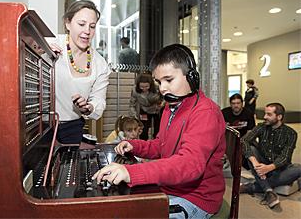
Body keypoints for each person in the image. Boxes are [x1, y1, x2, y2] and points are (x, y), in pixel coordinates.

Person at [93, 44, 226, 218]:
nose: (162, 88)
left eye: (169, 80)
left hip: (195, 197)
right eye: (158, 81)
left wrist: (131, 172)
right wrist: (134, 146)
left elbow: (189, 164)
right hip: (170, 187)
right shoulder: (170, 108)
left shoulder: (206, 113)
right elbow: (161, 145)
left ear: (192, 78)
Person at [49, 0, 111, 144]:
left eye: (92, 26)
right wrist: (40, 52)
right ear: (68, 23)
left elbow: (99, 100)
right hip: (41, 126)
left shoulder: (100, 64)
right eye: (81, 24)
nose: (87, 31)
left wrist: (89, 107)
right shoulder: (50, 44)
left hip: (72, 128)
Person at [239, 102, 301, 209]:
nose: (264, 117)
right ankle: (268, 191)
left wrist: (268, 168)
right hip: (261, 163)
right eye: (265, 114)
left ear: (279, 117)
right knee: (251, 150)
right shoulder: (261, 127)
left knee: (298, 169)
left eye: (269, 114)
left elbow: (285, 157)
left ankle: (253, 187)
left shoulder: (291, 133)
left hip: (279, 168)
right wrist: (255, 161)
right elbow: (243, 141)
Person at [221, 93, 255, 169]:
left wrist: (240, 142)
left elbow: (250, 132)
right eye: (233, 103)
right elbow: (219, 130)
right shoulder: (224, 113)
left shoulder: (248, 113)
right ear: (230, 104)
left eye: (238, 103)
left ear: (242, 103)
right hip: (228, 139)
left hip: (243, 139)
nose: (236, 105)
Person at [129, 73, 163, 140]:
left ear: (151, 85)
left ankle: (156, 145)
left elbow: (165, 97)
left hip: (156, 109)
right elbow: (132, 104)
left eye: (147, 86)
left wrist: (162, 104)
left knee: (158, 130)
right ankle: (143, 146)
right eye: (142, 87)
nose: (144, 88)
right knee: (143, 131)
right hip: (144, 110)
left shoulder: (157, 86)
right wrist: (134, 116)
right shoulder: (135, 90)